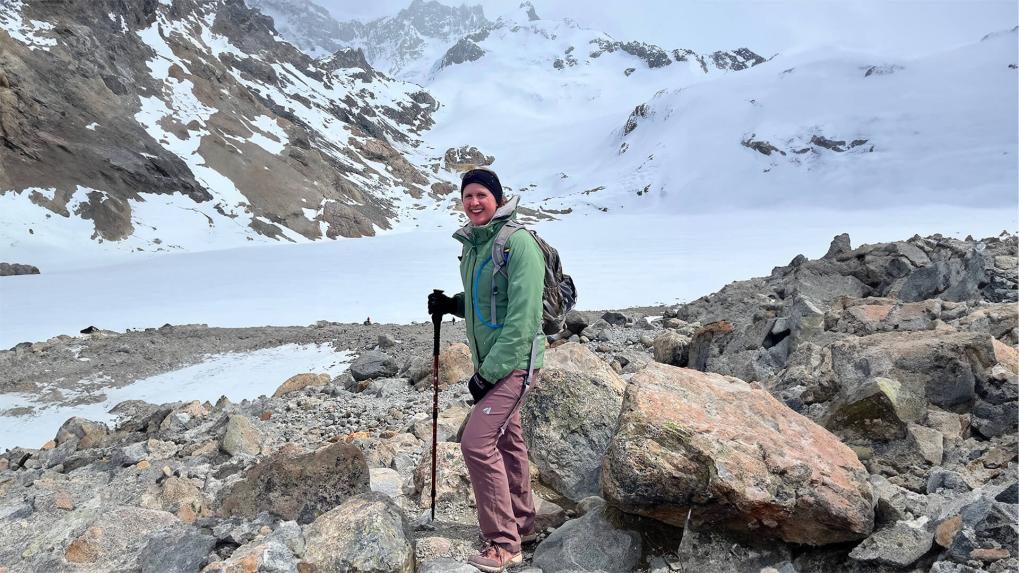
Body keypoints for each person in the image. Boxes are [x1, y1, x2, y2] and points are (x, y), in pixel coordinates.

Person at [427, 167, 545, 572]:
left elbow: (523, 319)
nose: (474, 202)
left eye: (481, 194)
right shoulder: (477, 244)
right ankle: (523, 523)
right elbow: (486, 302)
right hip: (495, 363)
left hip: (514, 364)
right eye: (467, 196)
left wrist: (488, 373)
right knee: (507, 439)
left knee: (476, 443)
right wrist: (451, 304)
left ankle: (503, 543)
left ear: (497, 198)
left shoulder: (518, 244)